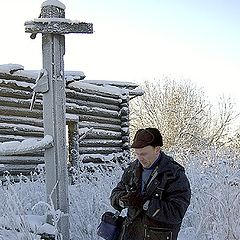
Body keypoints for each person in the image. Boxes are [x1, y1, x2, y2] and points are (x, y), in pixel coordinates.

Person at [110, 128, 191, 240]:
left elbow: (176, 213)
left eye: (144, 154)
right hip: (130, 235)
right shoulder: (132, 170)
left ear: (157, 149)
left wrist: (145, 203)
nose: (140, 158)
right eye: (137, 154)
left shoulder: (174, 174)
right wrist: (122, 200)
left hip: (158, 236)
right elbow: (116, 192)